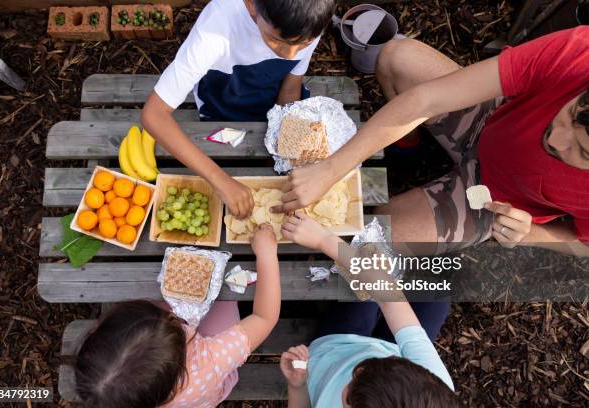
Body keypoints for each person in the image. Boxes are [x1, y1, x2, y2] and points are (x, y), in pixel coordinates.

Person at [274, 27, 589, 256]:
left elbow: (581, 245)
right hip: (489, 118)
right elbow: (427, 99)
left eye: (582, 151)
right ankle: (407, 148)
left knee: (373, 240)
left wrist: (529, 233)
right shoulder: (581, 51)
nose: (554, 139)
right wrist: (330, 170)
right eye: (571, 113)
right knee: (397, 56)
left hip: (493, 203)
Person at [141, 0, 335, 219]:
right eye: (275, 40)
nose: (289, 55)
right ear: (251, 5)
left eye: (304, 44)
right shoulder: (214, 32)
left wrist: (290, 152)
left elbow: (291, 85)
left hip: (270, 98)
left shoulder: (308, 17)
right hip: (223, 104)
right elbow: (153, 114)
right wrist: (220, 180)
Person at [73, 224, 280, 408]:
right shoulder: (210, 362)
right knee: (224, 301)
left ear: (94, 332)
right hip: (211, 384)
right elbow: (264, 317)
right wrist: (267, 254)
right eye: (171, 318)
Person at [280, 213, 461, 408]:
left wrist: (297, 386)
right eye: (362, 370)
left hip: (335, 349)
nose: (355, 372)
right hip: (392, 351)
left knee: (361, 300)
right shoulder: (432, 389)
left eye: (349, 385)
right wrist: (324, 240)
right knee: (436, 289)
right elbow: (390, 299)